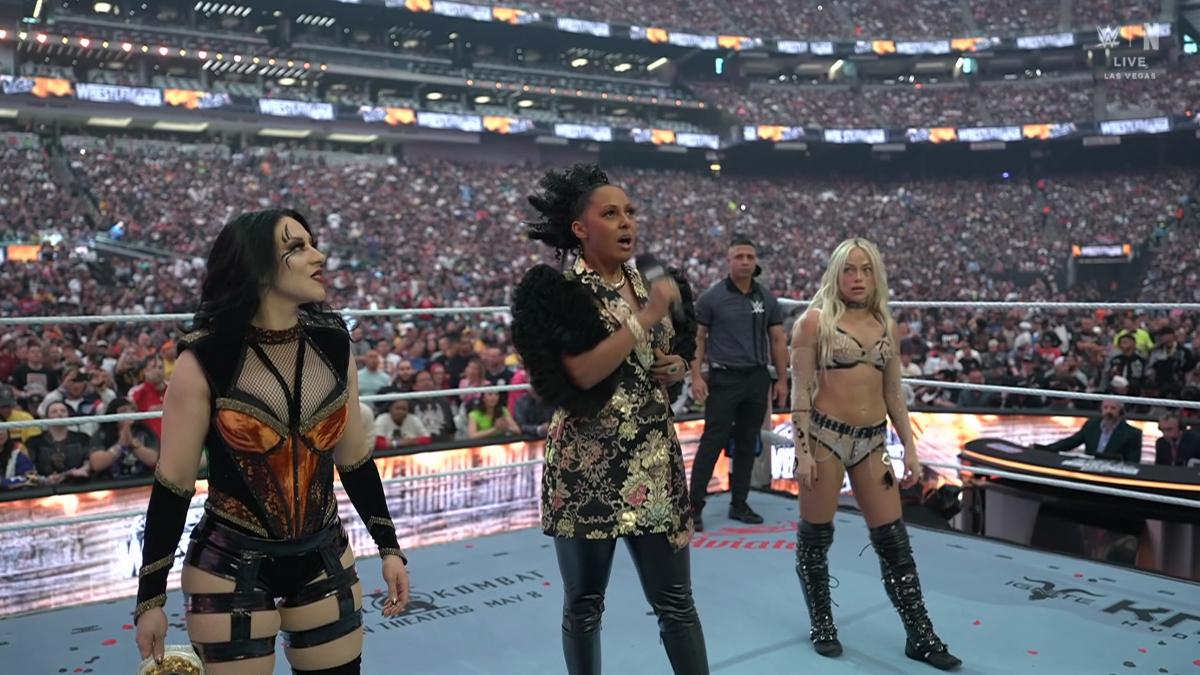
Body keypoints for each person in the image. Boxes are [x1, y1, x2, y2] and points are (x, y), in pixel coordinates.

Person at [133, 209, 410, 674]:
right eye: (296, 247)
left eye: (311, 242)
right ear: (257, 264)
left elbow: (355, 459)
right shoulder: (204, 357)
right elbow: (174, 483)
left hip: (324, 556)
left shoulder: (334, 342)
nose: (318, 255)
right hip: (228, 564)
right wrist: (150, 598)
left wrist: (389, 548)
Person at [511, 164, 708, 675]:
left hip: (653, 463)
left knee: (677, 604)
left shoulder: (655, 282)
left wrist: (679, 364)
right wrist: (643, 322)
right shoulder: (555, 292)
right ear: (580, 229)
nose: (627, 223)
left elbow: (682, 340)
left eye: (630, 213)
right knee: (584, 607)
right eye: (610, 213)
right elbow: (580, 373)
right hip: (585, 471)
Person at [791, 238, 961, 670]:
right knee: (815, 537)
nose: (858, 278)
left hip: (871, 442)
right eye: (850, 270)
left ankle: (920, 635)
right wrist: (803, 451)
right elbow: (799, 394)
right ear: (836, 273)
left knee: (894, 541)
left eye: (866, 270)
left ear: (877, 274)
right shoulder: (813, 323)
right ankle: (822, 624)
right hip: (825, 438)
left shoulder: (887, 322)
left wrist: (911, 448)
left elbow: (893, 394)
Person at [688, 236, 789, 531]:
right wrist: (696, 375)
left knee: (748, 442)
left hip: (756, 376)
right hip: (724, 377)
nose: (745, 261)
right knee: (712, 442)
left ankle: (740, 503)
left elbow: (779, 340)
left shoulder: (767, 299)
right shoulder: (711, 298)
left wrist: (782, 379)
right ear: (729, 261)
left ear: (756, 261)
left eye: (750, 256)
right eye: (739, 256)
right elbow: (698, 338)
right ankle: (694, 506)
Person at [1034, 399, 1143, 463]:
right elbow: (1071, 442)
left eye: (1113, 408)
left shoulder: (1132, 434)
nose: (1108, 411)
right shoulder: (1092, 425)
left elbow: (1132, 463)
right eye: (1105, 408)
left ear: (1120, 411)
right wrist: (1046, 449)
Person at [87, 397, 159, 479]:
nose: (129, 413)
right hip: (110, 482)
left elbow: (152, 460)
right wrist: (120, 445)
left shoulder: (144, 431)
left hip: (141, 480)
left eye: (131, 410)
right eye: (123, 410)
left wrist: (132, 442)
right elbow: (97, 465)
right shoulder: (102, 434)